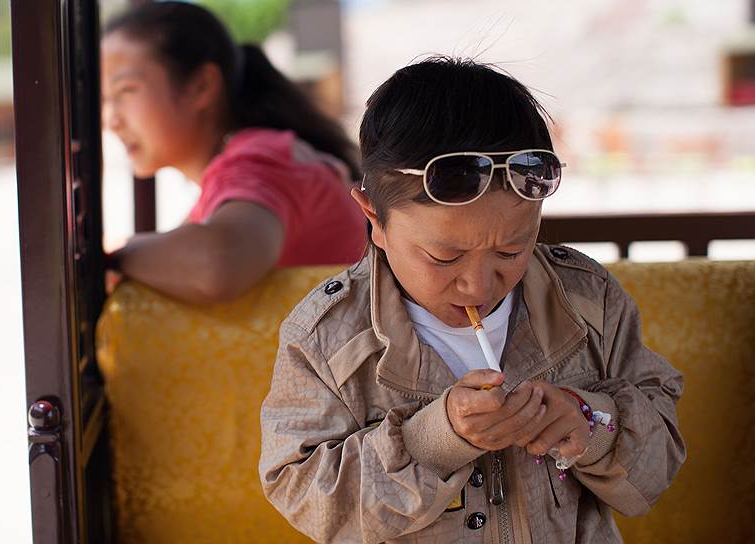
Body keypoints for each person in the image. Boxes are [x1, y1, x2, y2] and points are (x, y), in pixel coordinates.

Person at [259, 57, 685, 543]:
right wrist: (436, 439)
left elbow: (657, 469)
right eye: (445, 256)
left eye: (511, 249)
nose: (480, 286)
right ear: (373, 218)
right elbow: (306, 498)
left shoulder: (589, 303)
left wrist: (588, 422)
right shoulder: (327, 339)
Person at [101, 1, 366, 304]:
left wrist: (117, 254)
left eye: (126, 91)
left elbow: (216, 264)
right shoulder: (248, 162)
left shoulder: (261, 160)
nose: (111, 119)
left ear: (201, 86)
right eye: (105, 99)